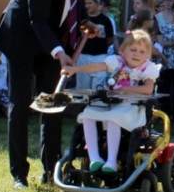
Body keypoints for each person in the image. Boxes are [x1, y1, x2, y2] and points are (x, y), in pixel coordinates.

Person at [0, 0, 94, 188]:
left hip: (52, 39)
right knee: (21, 104)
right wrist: (60, 52)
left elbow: (71, 2)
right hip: (22, 38)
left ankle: (51, 171)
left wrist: (85, 23)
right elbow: (37, 19)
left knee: (52, 104)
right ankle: (19, 175)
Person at [63, 29, 161, 173]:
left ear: (147, 54)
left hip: (131, 106)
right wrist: (76, 69)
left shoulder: (147, 68)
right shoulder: (116, 61)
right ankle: (95, 158)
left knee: (113, 118)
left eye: (142, 51)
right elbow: (96, 66)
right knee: (88, 114)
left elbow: (148, 89)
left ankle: (111, 161)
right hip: (110, 102)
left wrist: (124, 90)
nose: (137, 54)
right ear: (122, 50)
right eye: (133, 49)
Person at [76, 0, 116, 91]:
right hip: (83, 56)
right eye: (85, 3)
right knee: (82, 88)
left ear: (98, 4)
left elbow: (110, 39)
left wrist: (100, 46)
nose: (87, 6)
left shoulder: (106, 20)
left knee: (98, 87)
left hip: (100, 57)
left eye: (90, 3)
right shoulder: (81, 20)